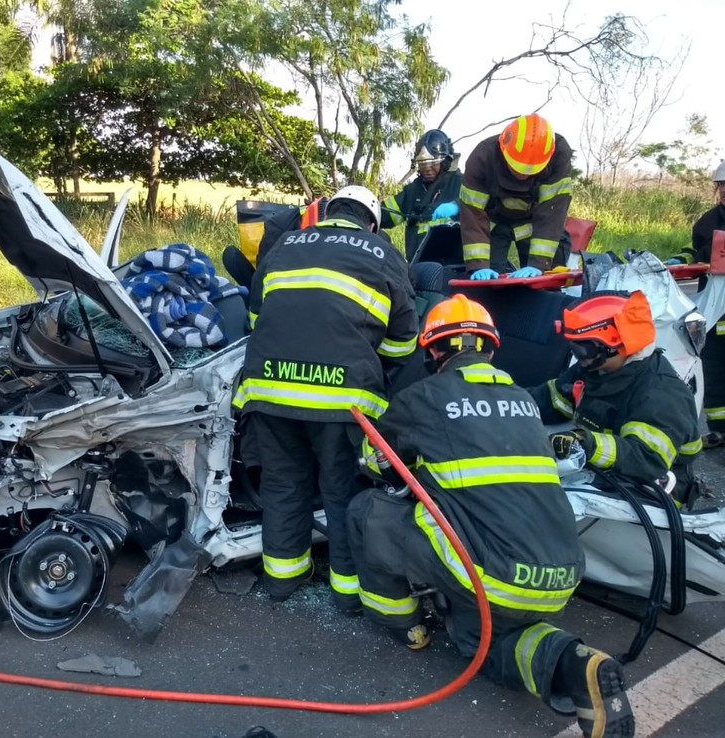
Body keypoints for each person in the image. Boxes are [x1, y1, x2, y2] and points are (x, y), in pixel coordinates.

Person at [347, 294, 634, 738]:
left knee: (367, 512)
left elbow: (373, 461)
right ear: (490, 349)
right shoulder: (523, 401)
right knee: (477, 636)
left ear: (434, 351)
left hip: (495, 576)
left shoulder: (424, 395)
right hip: (562, 575)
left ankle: (404, 624)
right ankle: (578, 666)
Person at [233, 185, 419, 612]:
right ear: (371, 222)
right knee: (341, 490)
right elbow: (403, 344)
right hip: (341, 399)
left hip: (269, 390)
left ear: (327, 213)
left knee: (282, 485)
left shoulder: (283, 245)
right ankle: (348, 592)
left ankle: (282, 579)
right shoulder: (380, 251)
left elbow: (257, 318)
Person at [529, 291, 702, 506]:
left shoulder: (662, 392)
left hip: (653, 491)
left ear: (614, 343)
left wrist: (587, 443)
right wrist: (505, 403)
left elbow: (646, 458)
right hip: (602, 470)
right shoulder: (597, 368)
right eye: (575, 348)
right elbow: (550, 400)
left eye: (583, 349)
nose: (579, 358)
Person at [459, 114, 573, 280]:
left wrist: (539, 264)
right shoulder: (482, 157)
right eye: (517, 167)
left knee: (547, 279)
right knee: (490, 282)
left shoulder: (558, 156)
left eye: (531, 170)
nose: (523, 174)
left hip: (535, 223)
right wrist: (478, 265)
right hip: (495, 223)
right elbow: (473, 214)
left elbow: (552, 212)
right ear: (503, 148)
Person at [667, 160, 725, 448]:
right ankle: (718, 429)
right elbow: (696, 249)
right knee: (713, 368)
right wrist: (683, 259)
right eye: (722, 186)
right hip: (715, 311)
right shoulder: (707, 221)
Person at [380, 129, 463, 263]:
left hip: (453, 268)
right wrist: (361, 212)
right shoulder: (414, 190)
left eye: (433, 163)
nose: (427, 168)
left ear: (445, 161)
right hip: (418, 268)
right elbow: (386, 215)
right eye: (423, 164)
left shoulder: (460, 183)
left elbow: (483, 208)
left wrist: (458, 206)